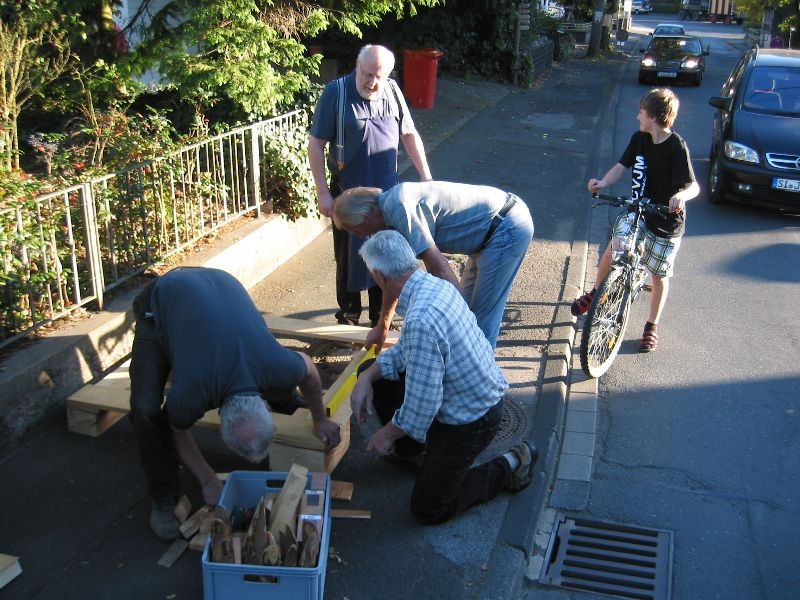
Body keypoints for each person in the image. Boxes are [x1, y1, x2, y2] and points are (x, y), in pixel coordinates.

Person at [128, 267, 341, 541]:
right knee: (144, 409)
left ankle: (285, 400)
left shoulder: (278, 366)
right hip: (159, 303)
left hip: (216, 285)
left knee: (275, 374)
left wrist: (319, 418)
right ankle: (163, 496)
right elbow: (176, 429)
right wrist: (207, 478)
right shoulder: (192, 394)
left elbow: (309, 369)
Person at [349, 230, 538, 524]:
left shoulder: (421, 318)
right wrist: (366, 378)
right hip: (468, 398)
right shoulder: (434, 285)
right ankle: (414, 451)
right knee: (372, 372)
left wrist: (387, 433)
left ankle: (511, 464)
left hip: (473, 420)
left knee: (429, 508)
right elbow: (406, 351)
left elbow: (423, 404)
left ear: (379, 276)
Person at [308, 44, 433, 328]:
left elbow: (409, 134)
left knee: (387, 254)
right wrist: (322, 192)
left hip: (386, 195)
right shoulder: (336, 93)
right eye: (367, 75)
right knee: (348, 257)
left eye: (379, 76)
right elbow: (316, 145)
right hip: (346, 193)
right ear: (357, 65)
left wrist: (426, 177)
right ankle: (349, 316)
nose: (372, 83)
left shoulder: (392, 91)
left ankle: (381, 317)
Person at [570, 88, 700, 352]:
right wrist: (603, 182)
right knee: (613, 249)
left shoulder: (676, 147)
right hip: (639, 210)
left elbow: (693, 186)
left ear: (653, 116)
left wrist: (680, 196)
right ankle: (596, 293)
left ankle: (651, 326)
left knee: (658, 275)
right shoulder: (639, 139)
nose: (637, 116)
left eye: (640, 112)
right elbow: (621, 166)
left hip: (665, 220)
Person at [332, 181, 534, 349]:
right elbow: (393, 277)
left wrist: (459, 317)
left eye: (355, 231)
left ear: (365, 217)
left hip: (506, 228)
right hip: (487, 236)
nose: (360, 236)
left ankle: (482, 380)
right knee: (464, 314)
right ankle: (463, 368)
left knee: (479, 321)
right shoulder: (390, 216)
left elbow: (438, 266)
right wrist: (382, 327)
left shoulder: (399, 208)